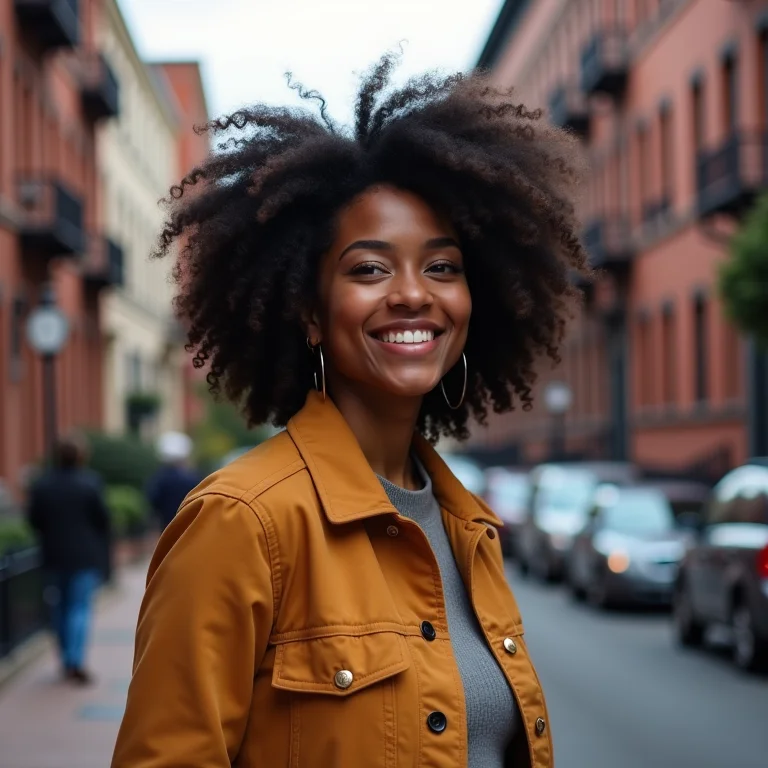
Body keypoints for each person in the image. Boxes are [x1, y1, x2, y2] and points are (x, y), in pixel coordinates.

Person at [112, 54, 589, 768]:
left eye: (442, 266)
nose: (412, 295)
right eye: (369, 269)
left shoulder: (470, 529)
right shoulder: (242, 524)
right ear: (309, 312)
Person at [27, 434, 111, 685]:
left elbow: (34, 520)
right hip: (84, 556)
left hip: (53, 555)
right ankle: (75, 659)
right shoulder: (91, 483)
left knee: (59, 607)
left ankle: (66, 658)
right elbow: (102, 520)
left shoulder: (42, 485)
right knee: (80, 607)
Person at [145, 431, 201, 531]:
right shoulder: (192, 478)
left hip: (166, 526)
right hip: (189, 526)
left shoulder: (159, 478)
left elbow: (152, 500)